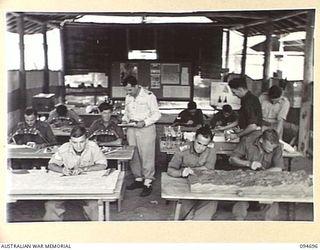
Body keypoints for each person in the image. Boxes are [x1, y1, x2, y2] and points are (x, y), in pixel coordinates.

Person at [43, 125, 107, 221]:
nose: (78, 146)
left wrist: (84, 169)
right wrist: (62, 170)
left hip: (88, 185)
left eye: (81, 142)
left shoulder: (93, 147)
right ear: (70, 141)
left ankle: (98, 230)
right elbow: (51, 164)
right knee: (51, 205)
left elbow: (103, 165)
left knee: (95, 206)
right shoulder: (64, 148)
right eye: (74, 143)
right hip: (66, 185)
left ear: (86, 140)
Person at [228, 129, 283, 220]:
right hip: (247, 178)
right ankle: (238, 223)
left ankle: (269, 226)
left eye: (273, 147)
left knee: (273, 199)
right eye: (269, 147)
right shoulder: (247, 141)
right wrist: (249, 164)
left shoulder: (277, 146)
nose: (271, 150)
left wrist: (261, 174)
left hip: (266, 178)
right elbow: (232, 159)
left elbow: (278, 168)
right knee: (241, 199)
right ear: (261, 140)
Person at [121, 75, 161, 197]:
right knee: (133, 154)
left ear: (137, 86)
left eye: (130, 90)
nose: (128, 92)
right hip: (131, 128)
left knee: (147, 155)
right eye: (126, 90)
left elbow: (157, 114)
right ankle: (138, 178)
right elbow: (127, 112)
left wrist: (144, 122)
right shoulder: (128, 97)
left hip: (146, 128)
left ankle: (148, 181)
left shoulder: (149, 96)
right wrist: (124, 121)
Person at [167, 125, 218, 220]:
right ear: (194, 138)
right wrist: (182, 172)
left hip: (203, 184)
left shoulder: (211, 150)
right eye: (199, 143)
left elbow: (209, 170)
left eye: (205, 145)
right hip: (185, 185)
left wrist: (193, 170)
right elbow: (170, 170)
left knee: (212, 203)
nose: (201, 147)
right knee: (185, 214)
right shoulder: (183, 149)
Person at [225, 78, 262, 142]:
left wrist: (236, 135)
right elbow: (239, 120)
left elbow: (252, 126)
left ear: (240, 89)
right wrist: (223, 128)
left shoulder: (249, 101)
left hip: (252, 136)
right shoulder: (245, 99)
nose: (234, 94)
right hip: (247, 133)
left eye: (234, 92)